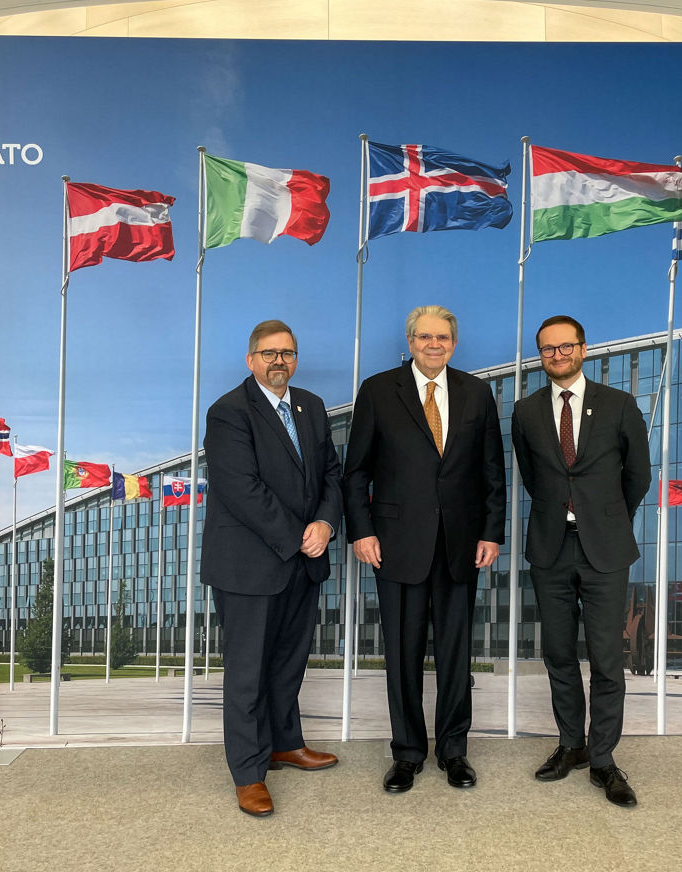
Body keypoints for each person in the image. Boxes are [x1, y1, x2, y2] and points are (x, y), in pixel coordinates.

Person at [343, 305, 506, 794]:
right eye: (424, 337)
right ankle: (408, 753)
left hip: (461, 545)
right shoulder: (377, 390)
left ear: (454, 342)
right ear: (410, 340)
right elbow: (356, 472)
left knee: (456, 655)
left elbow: (492, 473)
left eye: (443, 337)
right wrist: (361, 531)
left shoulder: (477, 393)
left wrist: (491, 532)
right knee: (403, 654)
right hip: (394, 546)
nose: (434, 344)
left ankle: (454, 751)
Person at [201, 319, 343, 818]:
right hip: (249, 565)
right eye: (268, 353)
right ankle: (248, 772)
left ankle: (285, 743)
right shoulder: (228, 413)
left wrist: (325, 524)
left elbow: (330, 472)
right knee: (247, 674)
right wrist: (297, 538)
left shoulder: (312, 406)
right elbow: (241, 489)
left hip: (305, 560)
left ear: (296, 359)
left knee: (287, 664)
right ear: (251, 359)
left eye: (287, 353)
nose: (278, 361)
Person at [510, 314, 652, 808]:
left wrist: (605, 517)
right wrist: (564, 513)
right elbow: (533, 476)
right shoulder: (525, 411)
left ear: (583, 349)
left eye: (566, 346)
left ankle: (605, 758)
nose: (558, 355)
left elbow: (637, 475)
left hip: (605, 548)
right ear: (541, 356)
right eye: (548, 349)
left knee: (608, 660)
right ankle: (571, 744)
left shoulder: (619, 405)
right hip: (550, 547)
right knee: (558, 653)